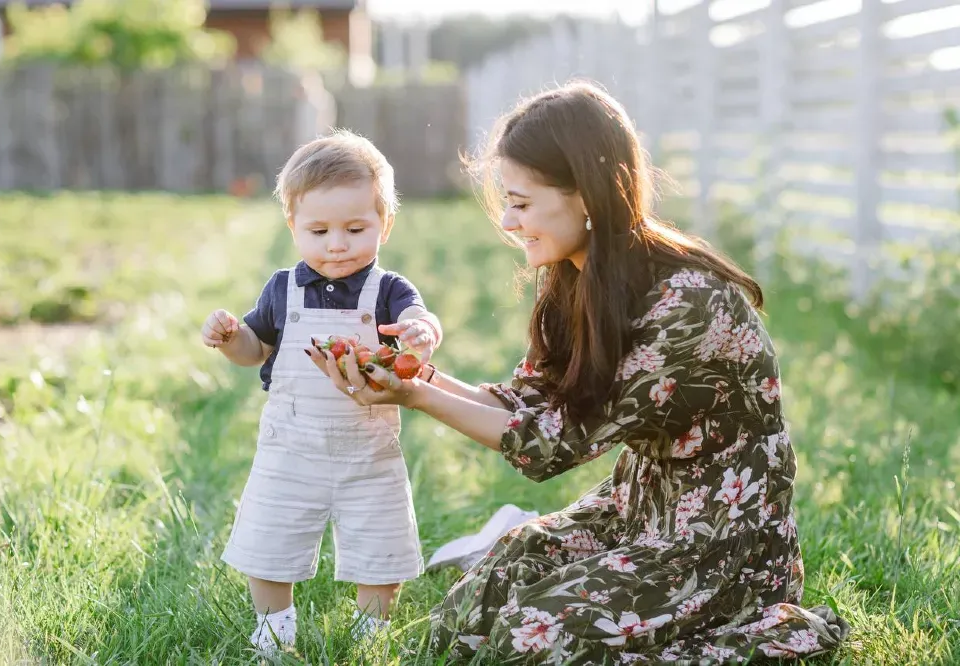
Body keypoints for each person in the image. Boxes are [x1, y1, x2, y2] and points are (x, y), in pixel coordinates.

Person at [305, 81, 850, 664]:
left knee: (530, 638)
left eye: (521, 203)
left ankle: (777, 632)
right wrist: (415, 376)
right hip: (637, 510)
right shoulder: (580, 275)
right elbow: (530, 401)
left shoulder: (689, 304)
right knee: (471, 613)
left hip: (717, 545)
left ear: (586, 195)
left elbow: (552, 444)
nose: (508, 220)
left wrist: (415, 395)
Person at [202, 130, 443, 653]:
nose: (337, 244)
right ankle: (274, 627)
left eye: (355, 229)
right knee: (271, 537)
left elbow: (418, 318)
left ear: (385, 224)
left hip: (368, 448)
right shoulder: (282, 288)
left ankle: (372, 631)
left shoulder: (388, 290)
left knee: (380, 544)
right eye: (318, 230)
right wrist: (230, 338)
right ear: (293, 226)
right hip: (291, 445)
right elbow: (255, 349)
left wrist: (422, 331)